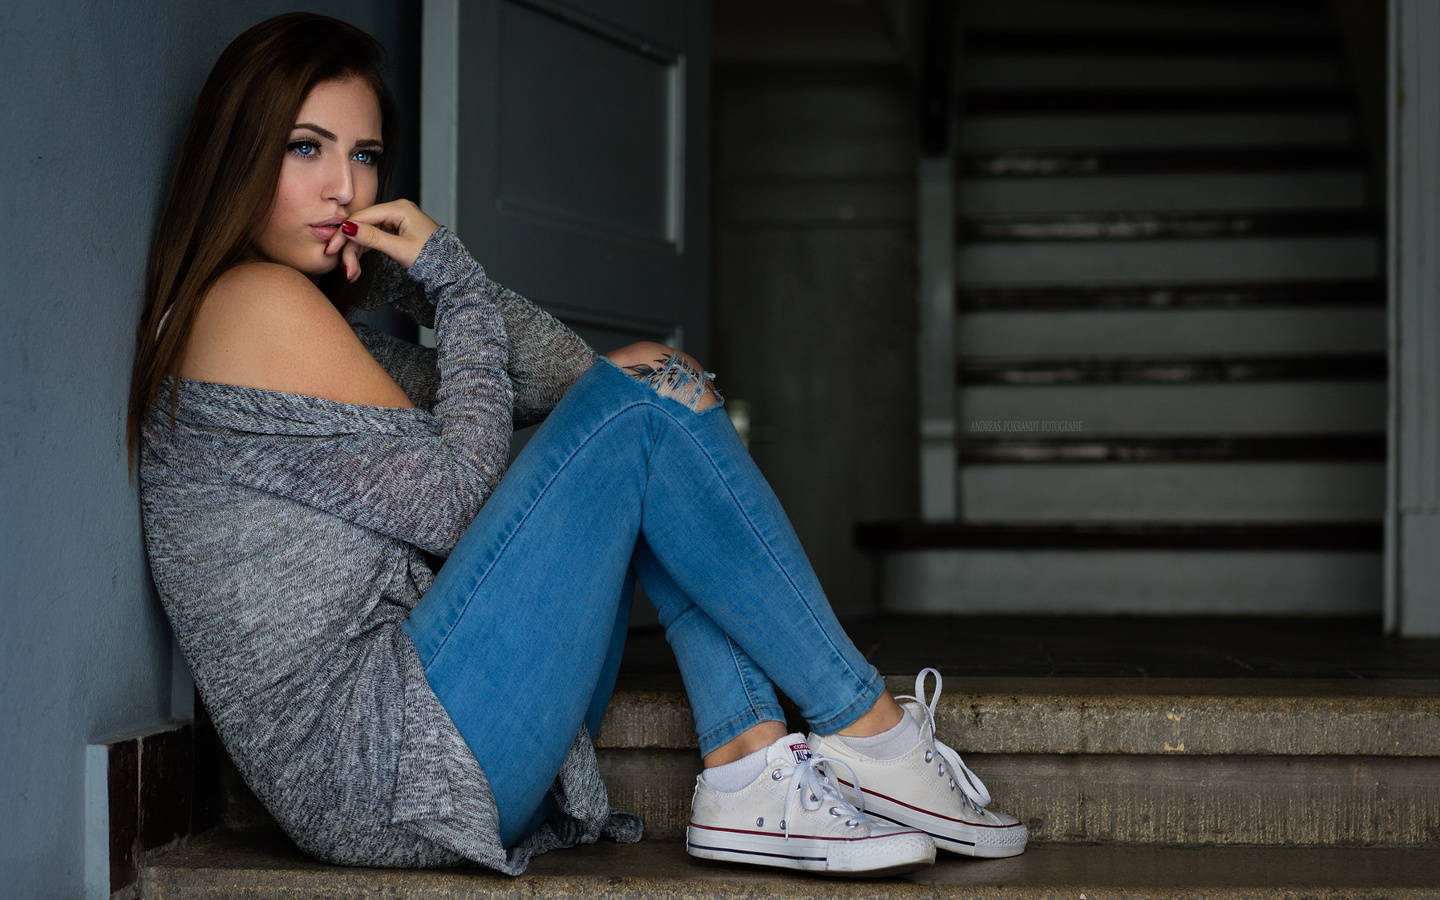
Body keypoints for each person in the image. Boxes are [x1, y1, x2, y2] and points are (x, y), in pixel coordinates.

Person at [127, 12, 1027, 877]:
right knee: (643, 410)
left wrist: (428, 284)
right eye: (306, 146)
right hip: (388, 767)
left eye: (363, 155)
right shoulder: (250, 305)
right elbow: (458, 502)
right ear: (239, 153)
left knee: (650, 397)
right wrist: (453, 286)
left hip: (427, 739)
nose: (346, 190)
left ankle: (751, 766)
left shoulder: (319, 335)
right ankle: (869, 729)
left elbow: (560, 377)